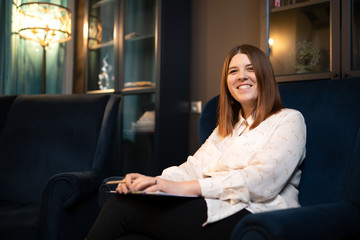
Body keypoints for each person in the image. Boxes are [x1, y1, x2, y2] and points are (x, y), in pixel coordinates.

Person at [86, 44, 306, 240]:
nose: (241, 76)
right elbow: (193, 167)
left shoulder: (288, 119)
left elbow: (263, 182)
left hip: (257, 215)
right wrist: (153, 182)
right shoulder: (225, 129)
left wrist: (182, 188)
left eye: (250, 68)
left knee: (121, 209)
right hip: (215, 204)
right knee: (129, 204)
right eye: (233, 71)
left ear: (265, 74)